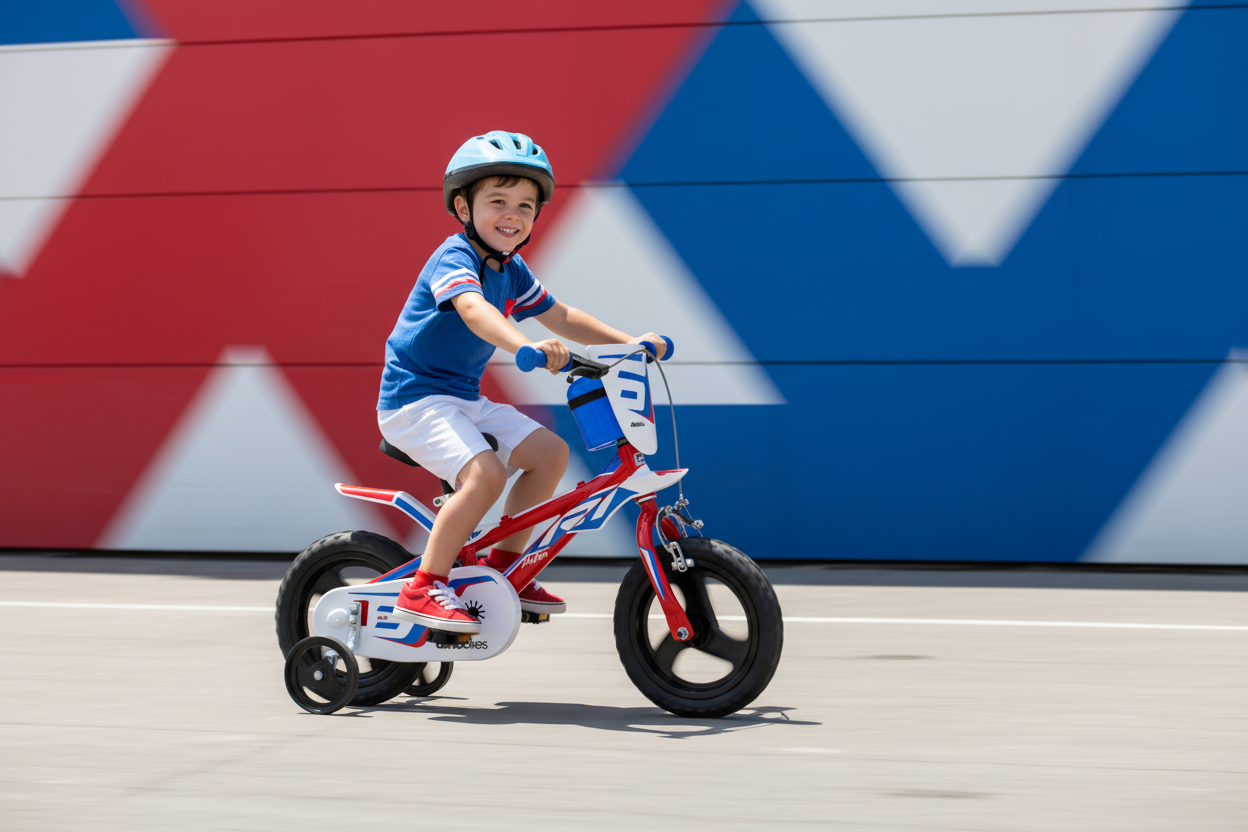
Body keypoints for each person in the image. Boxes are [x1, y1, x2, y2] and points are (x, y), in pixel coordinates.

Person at [377, 131, 665, 633]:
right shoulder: (455, 258)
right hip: (414, 402)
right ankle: (421, 587)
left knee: (550, 455)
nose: (513, 214)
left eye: (526, 206)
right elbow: (473, 310)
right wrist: (522, 347)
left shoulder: (511, 269)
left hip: (462, 399)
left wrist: (629, 343)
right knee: (485, 476)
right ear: (463, 208)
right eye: (499, 201)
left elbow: (563, 316)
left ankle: (505, 567)